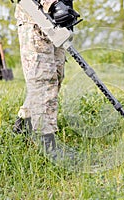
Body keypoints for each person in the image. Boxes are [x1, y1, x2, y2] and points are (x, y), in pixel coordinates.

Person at [13, 0, 79, 157]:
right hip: (35, 17)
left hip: (56, 20)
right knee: (43, 80)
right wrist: (51, 3)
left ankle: (23, 124)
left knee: (56, 75)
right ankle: (47, 143)